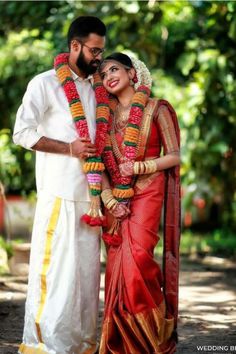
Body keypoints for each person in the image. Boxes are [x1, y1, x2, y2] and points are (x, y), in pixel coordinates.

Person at [13, 16, 107, 354]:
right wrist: (69, 148)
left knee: (84, 283)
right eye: (94, 50)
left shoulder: (100, 87)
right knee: (55, 279)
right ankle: (46, 346)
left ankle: (80, 347)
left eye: (102, 51)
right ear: (75, 46)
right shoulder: (44, 84)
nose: (99, 57)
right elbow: (21, 133)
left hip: (91, 201)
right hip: (58, 195)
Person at [98, 53, 181, 354]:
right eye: (104, 73)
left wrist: (140, 168)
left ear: (132, 73)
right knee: (117, 269)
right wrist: (108, 199)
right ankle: (121, 340)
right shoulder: (102, 120)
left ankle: (152, 337)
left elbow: (175, 155)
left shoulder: (157, 108)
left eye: (115, 69)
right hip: (115, 202)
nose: (109, 75)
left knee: (138, 263)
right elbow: (98, 165)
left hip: (148, 189)